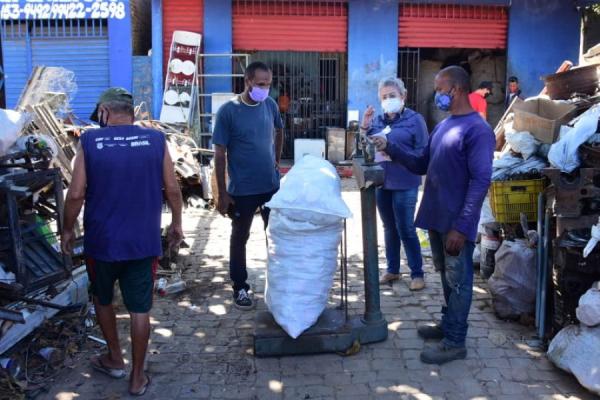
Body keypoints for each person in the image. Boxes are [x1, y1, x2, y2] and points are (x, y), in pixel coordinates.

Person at [60, 88, 184, 395]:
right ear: (132, 113)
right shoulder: (156, 140)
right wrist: (177, 224)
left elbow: (75, 194)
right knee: (140, 308)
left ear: (104, 111)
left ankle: (115, 359)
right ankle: (137, 377)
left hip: (102, 243)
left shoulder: (89, 142)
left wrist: (67, 229)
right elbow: (173, 189)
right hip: (142, 242)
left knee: (103, 299)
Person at [371, 66, 495, 364]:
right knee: (446, 277)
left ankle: (455, 341)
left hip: (455, 223)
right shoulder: (444, 126)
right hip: (438, 218)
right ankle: (447, 324)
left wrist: (463, 227)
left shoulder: (478, 131)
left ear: (457, 90)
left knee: (460, 280)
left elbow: (480, 181)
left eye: (440, 90)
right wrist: (390, 146)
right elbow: (420, 163)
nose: (436, 95)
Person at [213, 61, 284, 310]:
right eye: (261, 84)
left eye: (269, 84)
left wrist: (276, 160)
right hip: (242, 190)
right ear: (248, 82)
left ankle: (277, 284)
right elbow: (219, 155)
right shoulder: (228, 112)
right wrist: (222, 193)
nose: (266, 89)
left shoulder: (270, 105)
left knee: (275, 237)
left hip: (270, 188)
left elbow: (279, 129)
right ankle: (240, 286)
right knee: (239, 237)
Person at [360, 77, 428, 291]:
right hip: (382, 182)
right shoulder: (377, 121)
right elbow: (361, 148)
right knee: (389, 227)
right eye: (384, 97)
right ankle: (393, 269)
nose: (388, 100)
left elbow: (422, 153)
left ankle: (417, 273)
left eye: (392, 95)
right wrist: (364, 127)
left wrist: (393, 148)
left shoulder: (415, 120)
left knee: (406, 227)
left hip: (406, 181)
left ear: (403, 96)